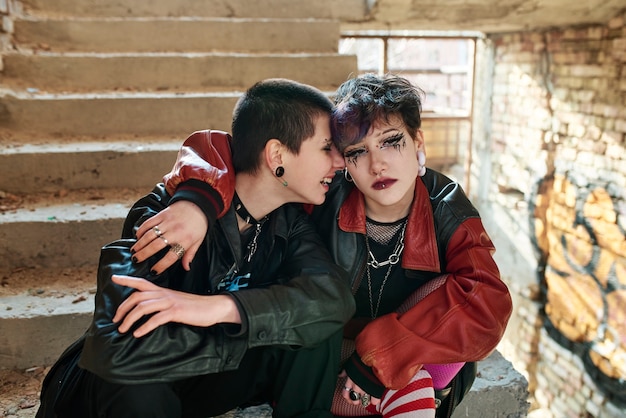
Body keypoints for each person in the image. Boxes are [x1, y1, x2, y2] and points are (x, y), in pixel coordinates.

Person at [129, 73, 513, 417]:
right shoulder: (323, 194)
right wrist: (198, 201)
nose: (377, 164)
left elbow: (489, 302)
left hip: (409, 351)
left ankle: (403, 387)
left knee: (449, 295)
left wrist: (383, 358)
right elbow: (230, 149)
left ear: (418, 142)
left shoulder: (446, 205)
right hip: (328, 351)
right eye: (357, 151)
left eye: (392, 142)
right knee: (401, 378)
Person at [35, 78, 356, 418]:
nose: (340, 162)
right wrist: (244, 324)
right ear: (277, 154)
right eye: (326, 148)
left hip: (200, 381)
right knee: (135, 380)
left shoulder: (289, 222)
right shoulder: (167, 216)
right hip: (113, 393)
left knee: (314, 323)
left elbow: (333, 298)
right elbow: (121, 349)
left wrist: (223, 309)